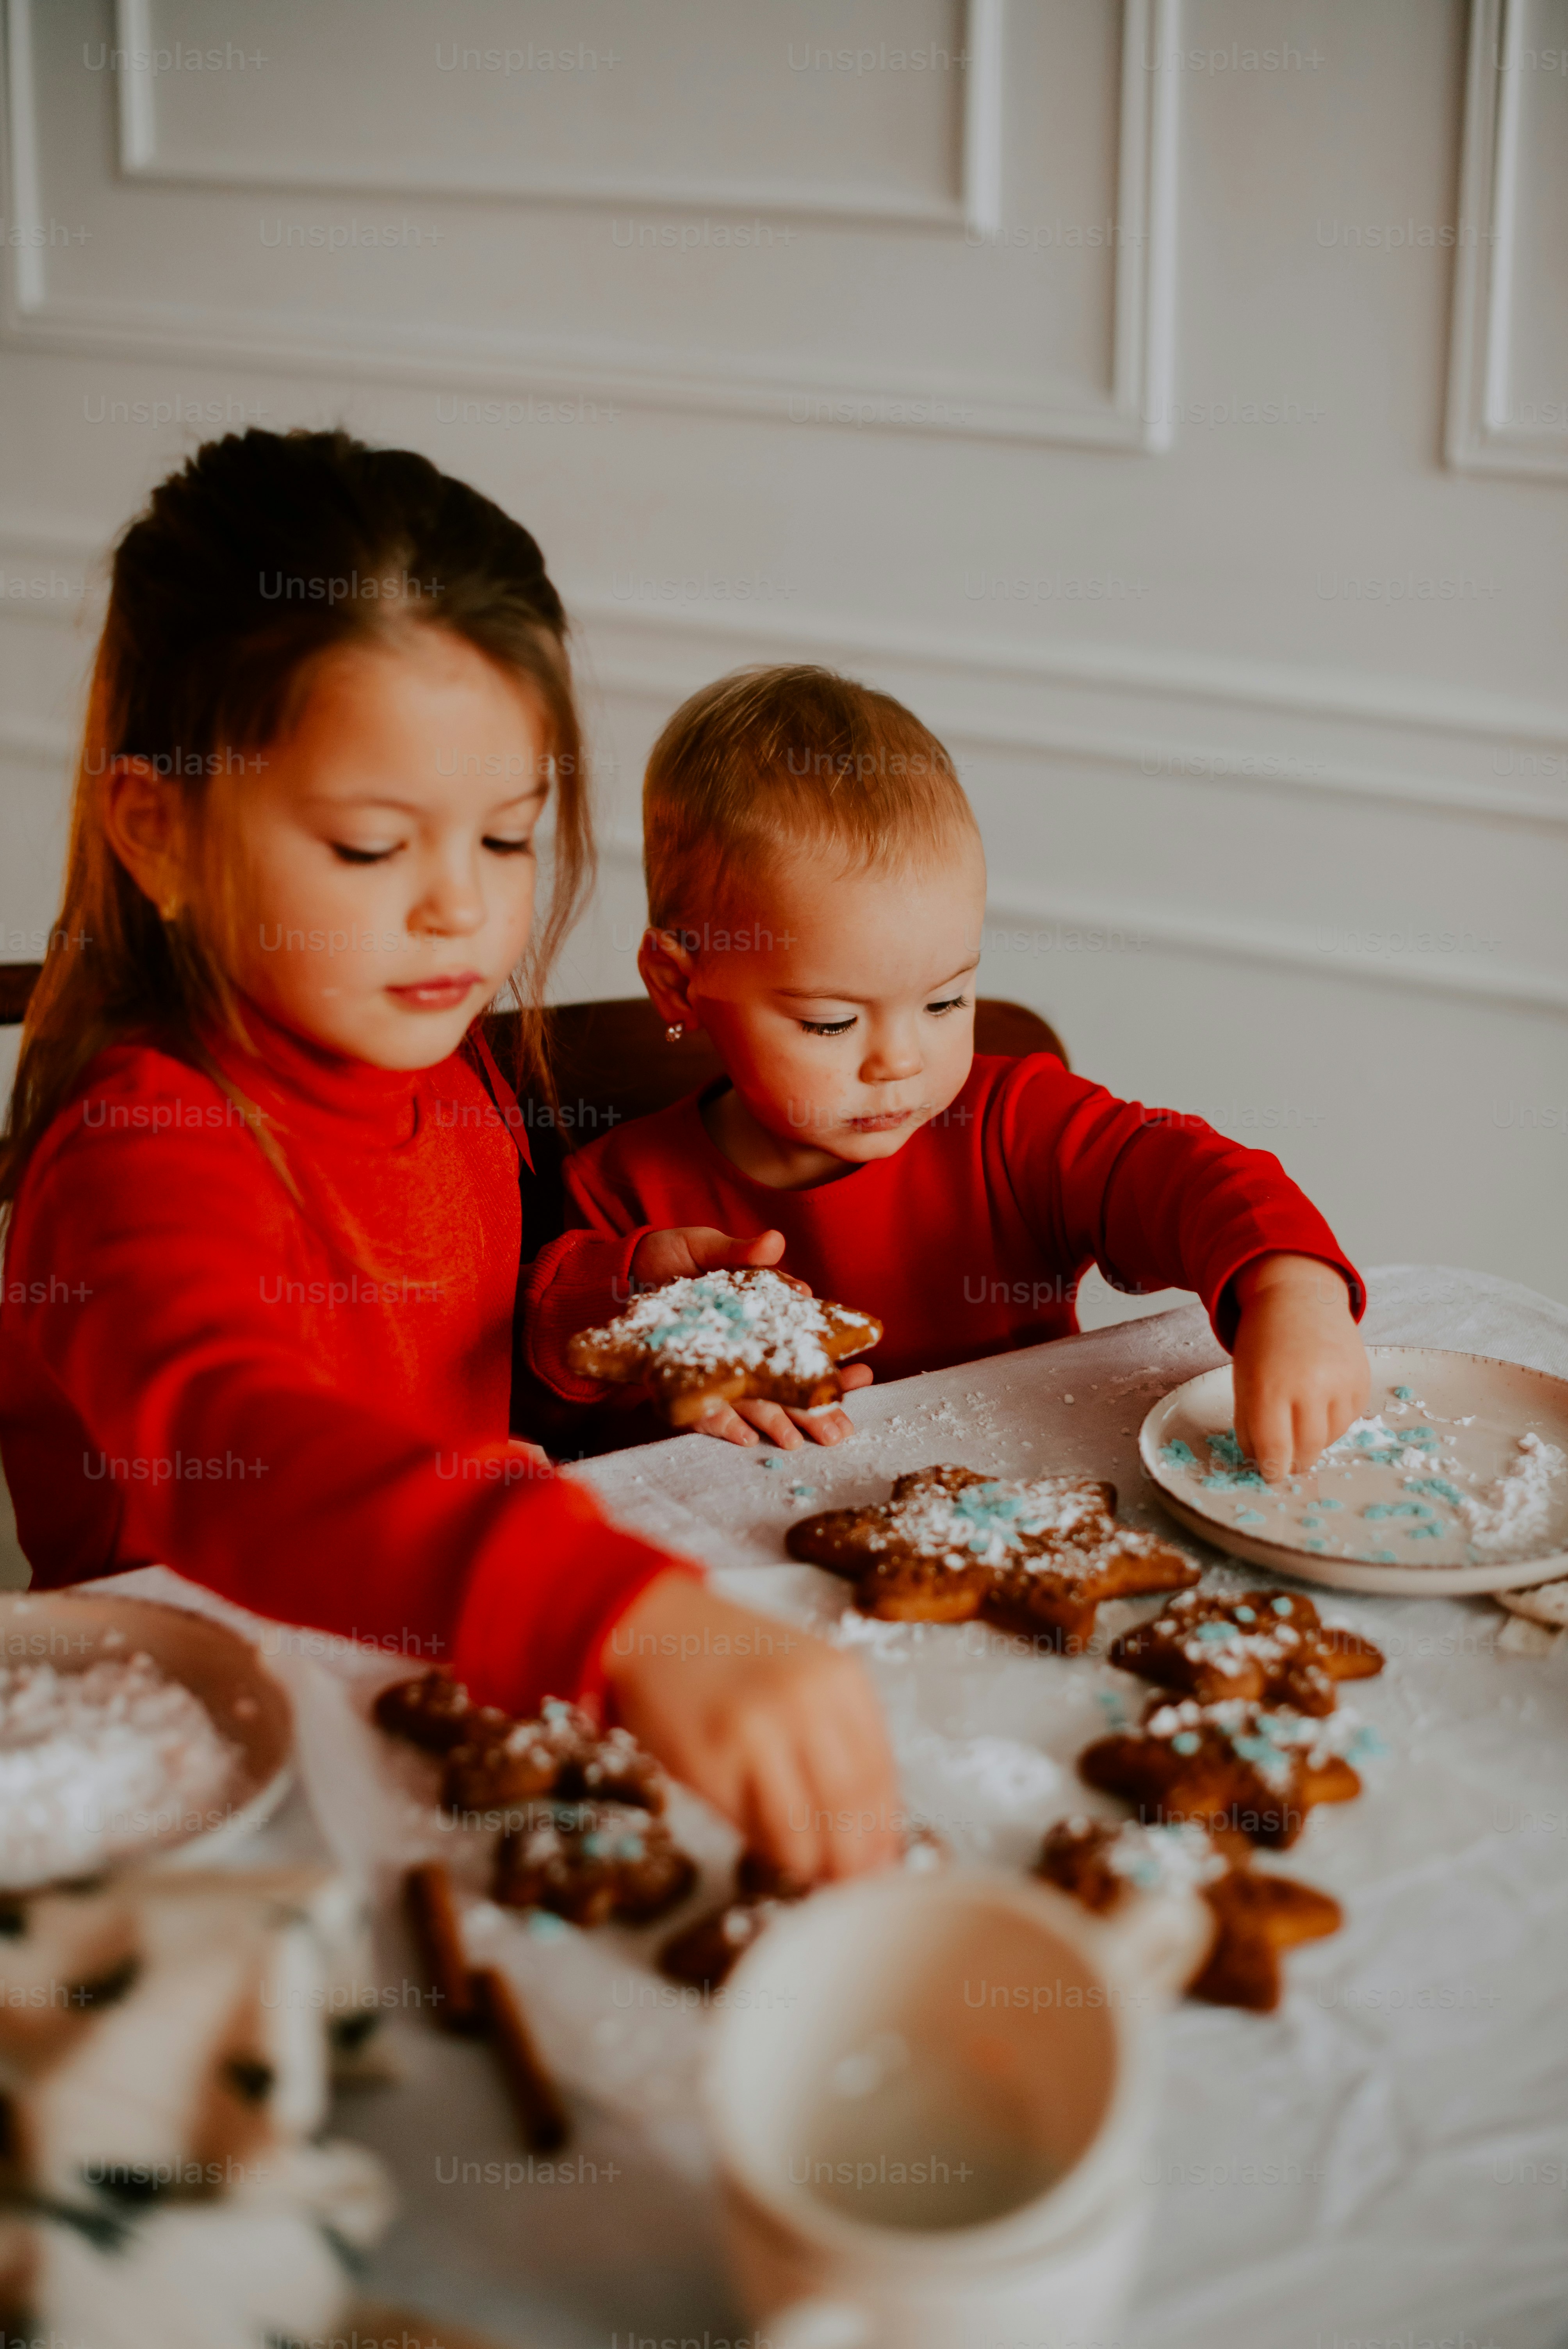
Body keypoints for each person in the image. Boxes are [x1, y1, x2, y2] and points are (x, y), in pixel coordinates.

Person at [0, 435, 896, 1880]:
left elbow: (431, 1324)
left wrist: (597, 1304)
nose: (456, 913)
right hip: (191, 1768)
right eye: (368, 847)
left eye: (505, 836)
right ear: (157, 831)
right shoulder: (141, 1148)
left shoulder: (437, 1059)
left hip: (419, 1679)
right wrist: (610, 1608)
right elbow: (230, 1443)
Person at [563, 665, 1372, 1464]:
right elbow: (548, 1421)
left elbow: (1184, 1173)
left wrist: (1286, 1286)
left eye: (944, 1002)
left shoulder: (1012, 1127)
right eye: (832, 1021)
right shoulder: (617, 1199)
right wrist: (661, 1377)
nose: (900, 1059)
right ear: (678, 982)